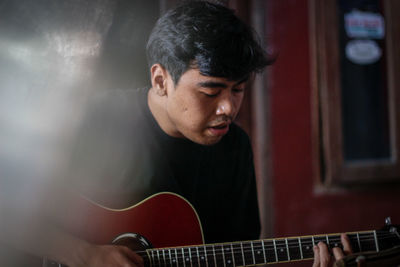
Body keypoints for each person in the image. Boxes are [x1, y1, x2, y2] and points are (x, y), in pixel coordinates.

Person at [0, 1, 350, 267]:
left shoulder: (235, 148)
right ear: (160, 80)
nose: (228, 107)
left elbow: (237, 252)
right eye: (211, 92)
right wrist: (84, 254)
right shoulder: (91, 121)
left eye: (238, 90)